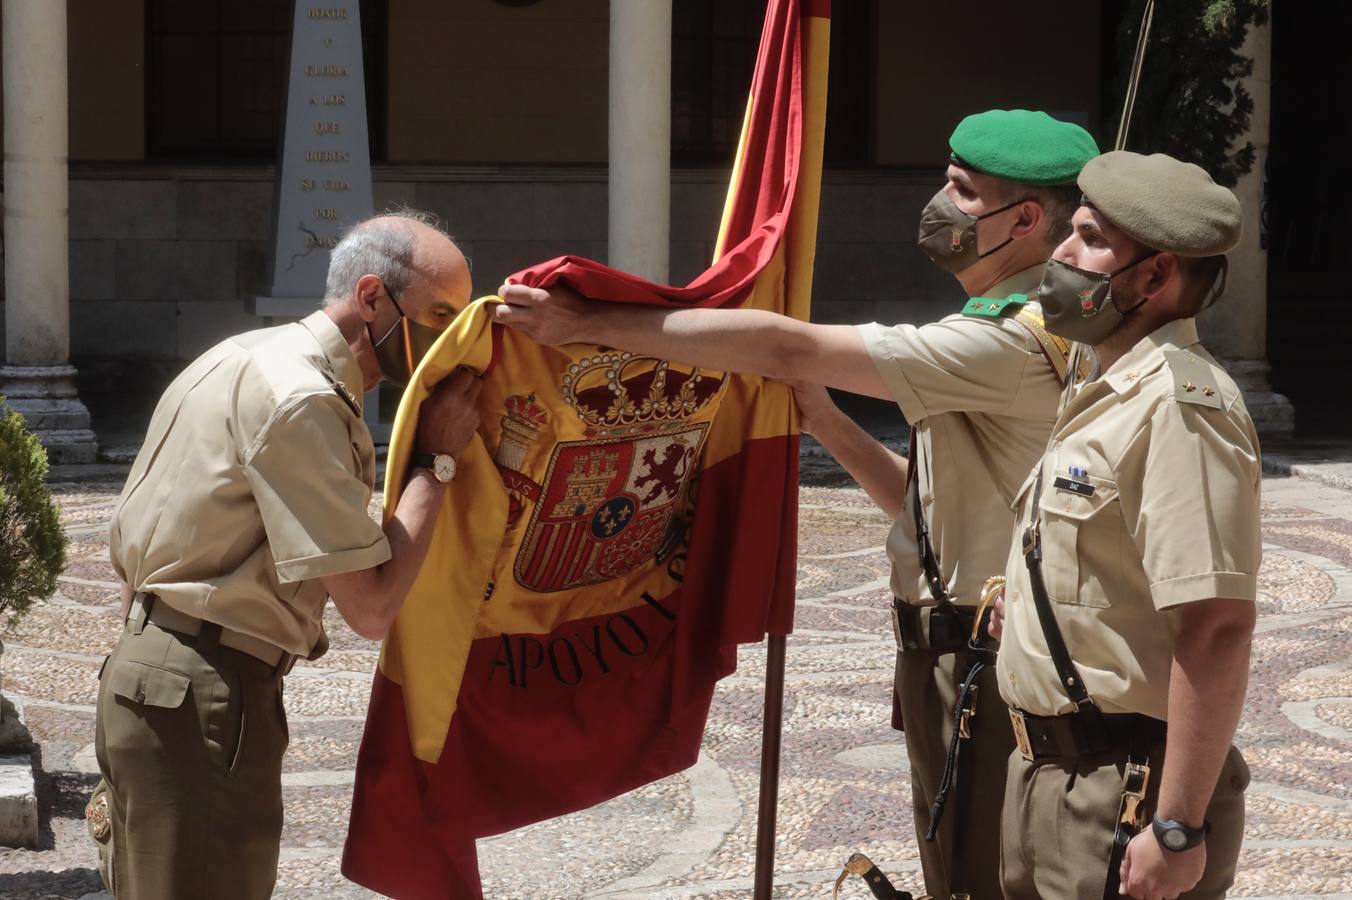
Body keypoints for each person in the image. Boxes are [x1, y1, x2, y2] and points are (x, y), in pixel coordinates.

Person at [495, 109, 1098, 899]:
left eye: (960, 189)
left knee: (980, 880)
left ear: (1023, 219)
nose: (939, 206)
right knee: (958, 871)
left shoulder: (1012, 340)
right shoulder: (1000, 327)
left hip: (985, 664)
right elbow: (919, 515)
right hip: (947, 653)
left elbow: (786, 344)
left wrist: (593, 325)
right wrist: (824, 419)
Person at [85, 211, 482, 899]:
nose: (453, 341)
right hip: (206, 693)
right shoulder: (301, 401)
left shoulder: (236, 355)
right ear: (370, 298)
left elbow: (136, 550)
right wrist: (437, 458)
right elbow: (373, 605)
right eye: (440, 315)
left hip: (149, 675)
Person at [988, 151, 1259, 899]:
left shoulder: (1179, 407)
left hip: (1125, 791)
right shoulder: (1106, 383)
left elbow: (1215, 626)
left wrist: (1176, 827)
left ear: (1154, 275)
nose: (1061, 254)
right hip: (1047, 776)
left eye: (1088, 238)